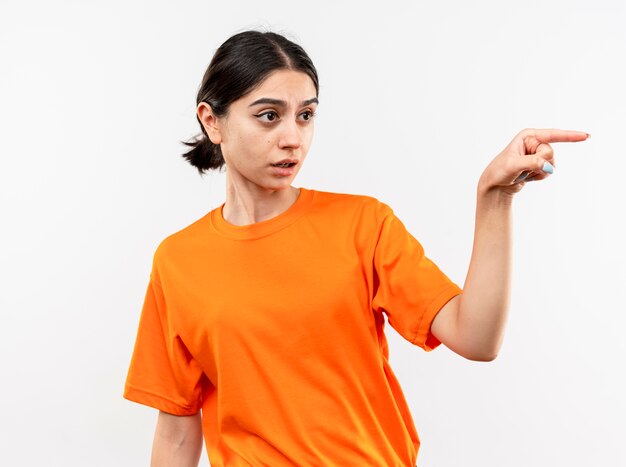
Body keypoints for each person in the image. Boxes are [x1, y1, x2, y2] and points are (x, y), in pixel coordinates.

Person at [123, 30, 589, 467]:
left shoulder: (363, 225)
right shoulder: (178, 261)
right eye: (269, 115)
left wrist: (495, 197)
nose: (293, 138)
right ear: (212, 121)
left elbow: (477, 338)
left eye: (305, 115)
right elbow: (177, 429)